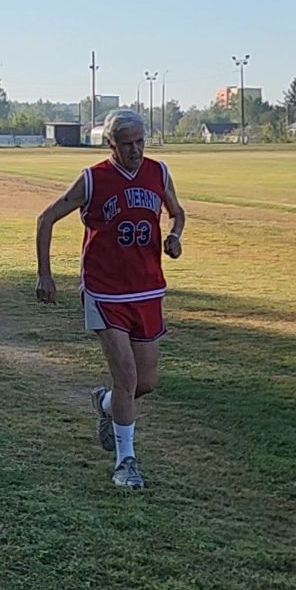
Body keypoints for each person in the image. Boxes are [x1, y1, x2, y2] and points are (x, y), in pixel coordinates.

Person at [34, 109, 186, 489]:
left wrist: (175, 236)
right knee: (127, 376)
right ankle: (125, 462)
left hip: (148, 289)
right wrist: (45, 274)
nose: (135, 150)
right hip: (105, 292)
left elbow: (177, 213)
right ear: (110, 144)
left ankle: (104, 402)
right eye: (126, 144)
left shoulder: (159, 172)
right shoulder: (92, 179)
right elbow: (46, 218)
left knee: (144, 383)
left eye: (140, 142)